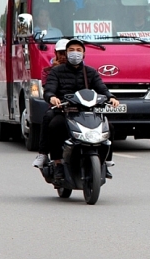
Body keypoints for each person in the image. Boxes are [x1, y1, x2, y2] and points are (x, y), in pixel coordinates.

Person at [44, 39, 120, 179]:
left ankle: (106, 163)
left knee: (110, 128)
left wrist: (111, 97)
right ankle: (58, 163)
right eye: (71, 50)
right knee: (55, 126)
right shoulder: (56, 72)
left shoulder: (90, 72)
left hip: (86, 112)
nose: (75, 53)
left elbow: (101, 88)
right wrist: (52, 97)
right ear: (66, 53)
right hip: (65, 112)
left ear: (84, 54)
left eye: (79, 50)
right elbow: (49, 90)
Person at [32, 38, 69, 168]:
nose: (64, 56)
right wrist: (53, 97)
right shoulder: (49, 71)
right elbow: (48, 89)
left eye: (67, 53)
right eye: (61, 53)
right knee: (49, 119)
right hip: (58, 108)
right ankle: (43, 154)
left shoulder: (83, 70)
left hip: (78, 108)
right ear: (56, 53)